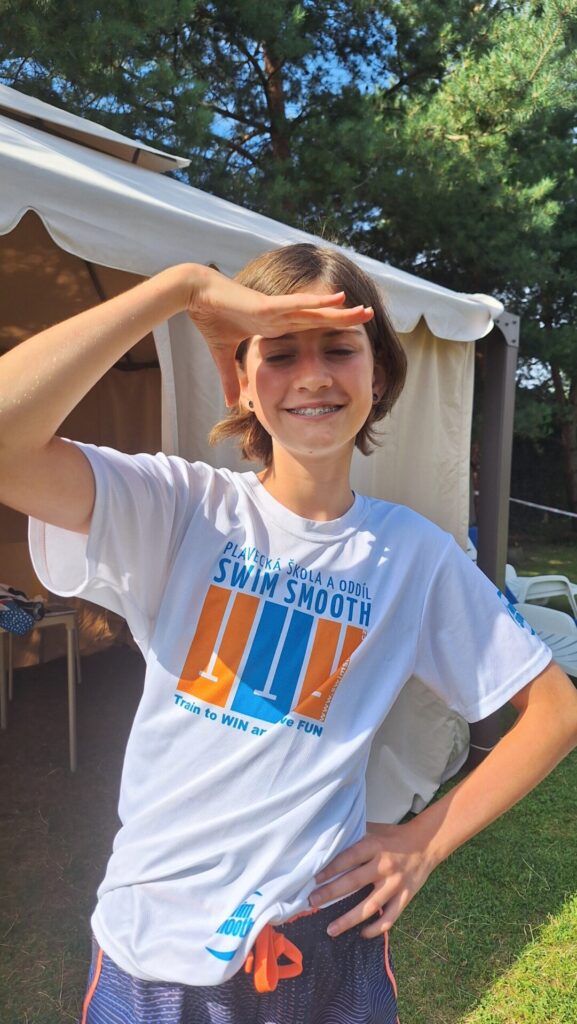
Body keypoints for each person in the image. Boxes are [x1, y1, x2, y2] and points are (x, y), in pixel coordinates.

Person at [0, 243, 576, 1024]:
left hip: (324, 938)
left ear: (379, 376)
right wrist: (180, 288)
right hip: (155, 942)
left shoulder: (413, 555)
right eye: (278, 351)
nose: (311, 376)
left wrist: (424, 841)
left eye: (338, 349)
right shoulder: (178, 506)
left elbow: (554, 711)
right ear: (239, 380)